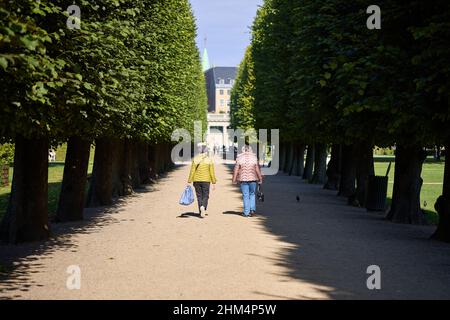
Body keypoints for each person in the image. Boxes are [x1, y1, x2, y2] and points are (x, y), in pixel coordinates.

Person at [232, 145, 263, 217]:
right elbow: (257, 169)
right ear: (250, 150)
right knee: (252, 194)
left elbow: (236, 170)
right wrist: (260, 178)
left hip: (243, 179)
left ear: (243, 150)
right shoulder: (254, 158)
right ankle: (252, 209)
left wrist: (234, 179)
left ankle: (246, 212)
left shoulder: (239, 158)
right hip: (253, 179)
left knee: (245, 195)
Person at [188, 143, 217, 217]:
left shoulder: (195, 159)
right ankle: (203, 207)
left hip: (196, 180)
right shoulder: (209, 159)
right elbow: (212, 172)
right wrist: (214, 182)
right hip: (206, 180)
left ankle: (200, 210)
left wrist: (189, 181)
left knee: (199, 196)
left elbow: (192, 171)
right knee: (206, 195)